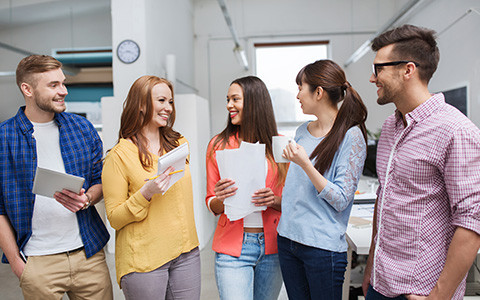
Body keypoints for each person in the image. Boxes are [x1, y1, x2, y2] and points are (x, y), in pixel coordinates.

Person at [362, 24, 480, 299]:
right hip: (381, 281)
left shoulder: (456, 130)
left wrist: (438, 296)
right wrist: (370, 267)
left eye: (378, 68)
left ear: (408, 70)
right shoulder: (392, 126)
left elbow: (472, 221)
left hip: (421, 291)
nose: (372, 77)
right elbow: (385, 199)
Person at [0, 55, 112, 299]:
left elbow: (99, 180)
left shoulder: (82, 128)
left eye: (63, 83)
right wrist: (19, 266)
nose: (63, 91)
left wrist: (88, 199)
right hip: (38, 260)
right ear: (27, 89)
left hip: (88, 253)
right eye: (53, 85)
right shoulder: (4, 138)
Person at [102, 75, 200, 299]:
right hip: (144, 260)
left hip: (186, 252)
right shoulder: (119, 156)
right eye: (162, 101)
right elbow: (114, 218)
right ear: (142, 105)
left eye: (170, 102)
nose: (168, 108)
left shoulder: (179, 144)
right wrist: (145, 193)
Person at [277, 59, 368, 300]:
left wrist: (306, 164)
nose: (297, 95)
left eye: (300, 87)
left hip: (321, 249)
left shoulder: (351, 136)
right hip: (288, 240)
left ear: (318, 92)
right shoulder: (302, 131)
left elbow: (341, 199)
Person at [205, 76, 288, 300]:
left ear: (254, 102)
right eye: (228, 99)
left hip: (273, 249)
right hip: (233, 249)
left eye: (235, 99)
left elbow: (292, 200)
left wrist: (274, 200)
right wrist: (221, 198)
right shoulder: (218, 144)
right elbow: (211, 201)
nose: (229, 105)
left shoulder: (279, 145)